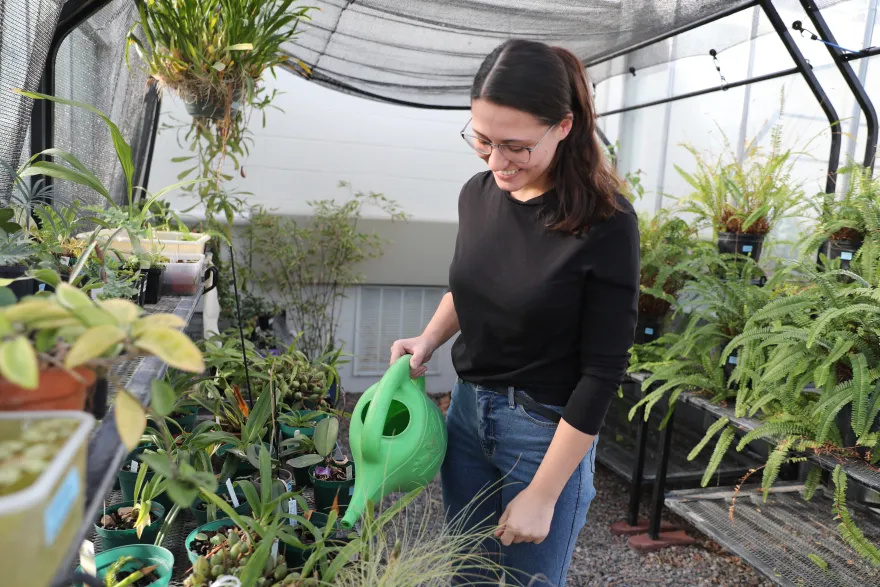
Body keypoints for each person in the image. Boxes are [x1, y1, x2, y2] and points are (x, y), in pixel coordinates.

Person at [390, 39, 639, 586]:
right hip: (467, 414)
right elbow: (472, 287)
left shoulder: (607, 222)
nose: (497, 161)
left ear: (564, 127)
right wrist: (429, 339)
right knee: (468, 577)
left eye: (516, 146)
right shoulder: (477, 194)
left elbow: (603, 373)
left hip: (544, 433)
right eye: (482, 139)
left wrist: (544, 493)